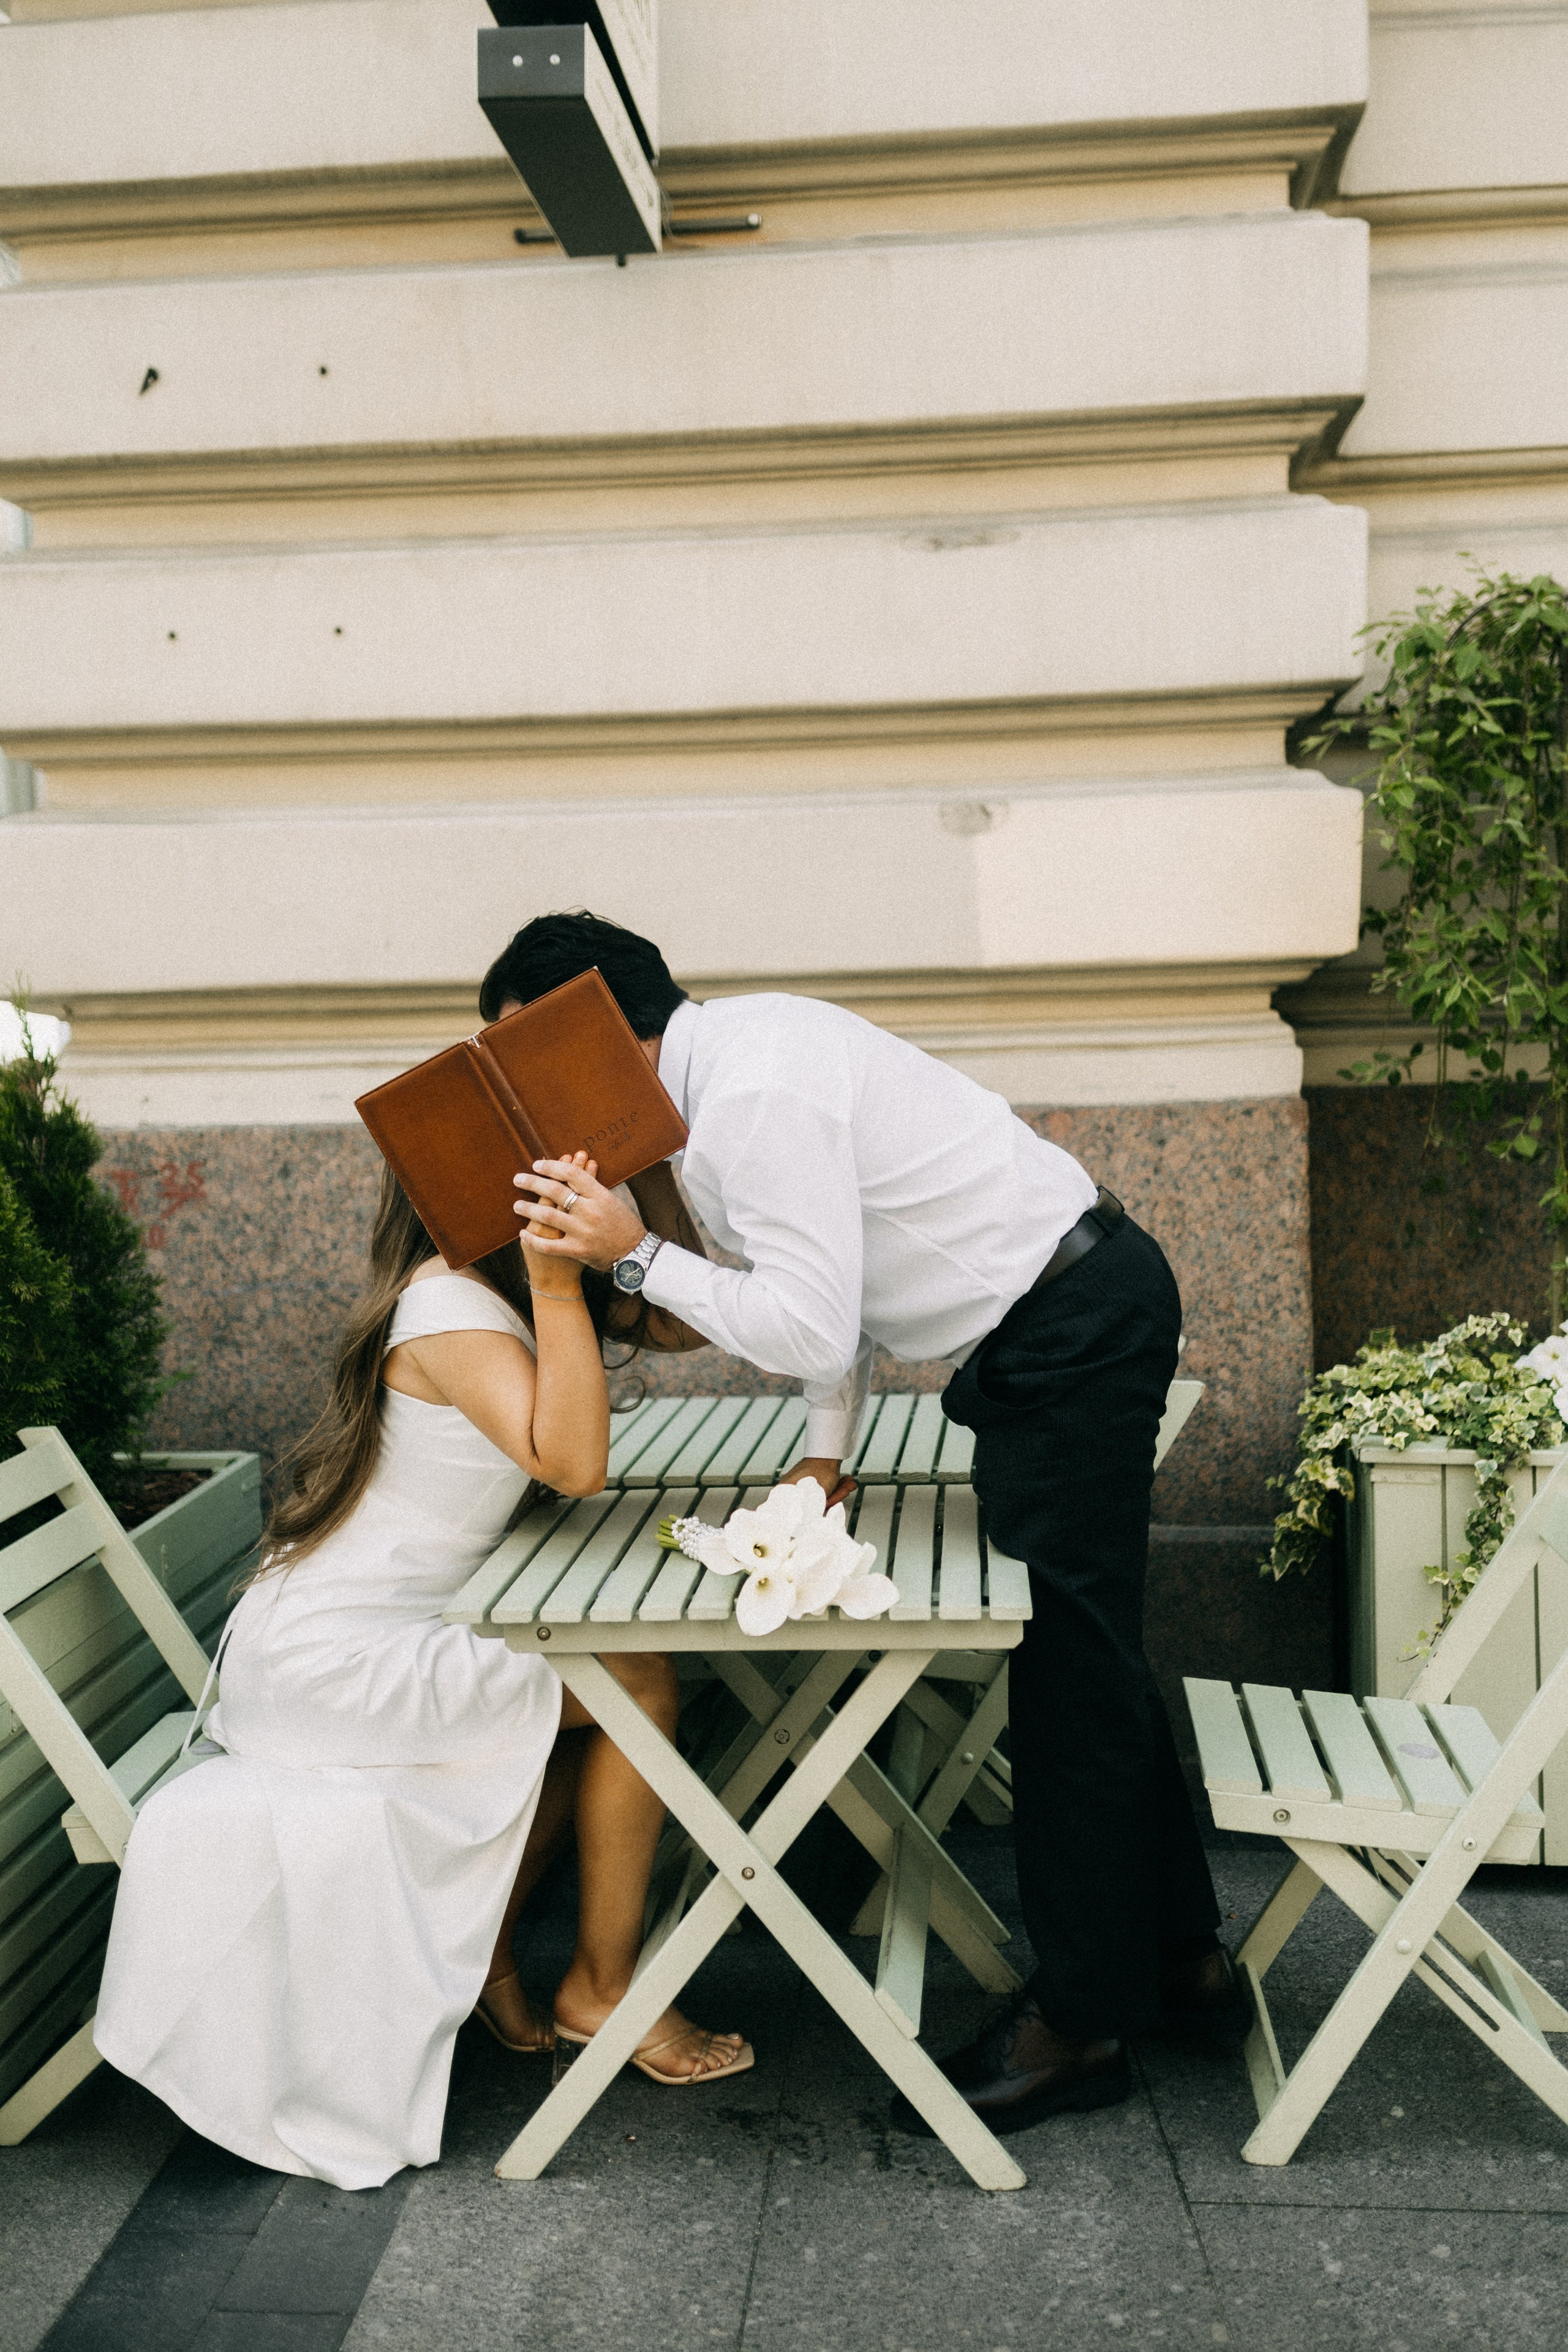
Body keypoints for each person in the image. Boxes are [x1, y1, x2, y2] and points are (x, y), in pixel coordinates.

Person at [484, 910, 1248, 2140]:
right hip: (1057, 1320)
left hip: (1065, 1324)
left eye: (524, 1062)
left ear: (594, 1032)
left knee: (1066, 1679)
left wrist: (631, 1258)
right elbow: (824, 1304)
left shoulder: (748, 1098)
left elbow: (795, 1319)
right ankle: (1177, 1966)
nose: (526, 1106)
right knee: (1085, 1663)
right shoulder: (727, 1071)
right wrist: (824, 1454)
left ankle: (1083, 2026)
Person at [94, 1153, 750, 2193]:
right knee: (630, 1681)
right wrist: (549, 1280)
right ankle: (604, 1990)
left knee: (586, 1690)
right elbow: (574, 1464)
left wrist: (640, 1180)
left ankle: (495, 1954)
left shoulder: (489, 1290)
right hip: (333, 1663)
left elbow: (683, 1323)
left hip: (371, 1635)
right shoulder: (450, 1303)